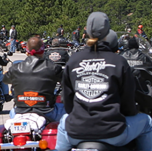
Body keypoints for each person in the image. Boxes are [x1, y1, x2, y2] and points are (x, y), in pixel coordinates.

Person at [56, 12, 152, 151]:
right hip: (112, 131)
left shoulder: (74, 60)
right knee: (147, 122)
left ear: (87, 31)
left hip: (77, 131)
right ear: (108, 31)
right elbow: (128, 103)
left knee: (64, 121)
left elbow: (68, 102)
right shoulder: (119, 62)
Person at [4, 36, 64, 121]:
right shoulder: (53, 68)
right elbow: (67, 82)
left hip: (20, 111)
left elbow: (5, 80)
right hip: (47, 111)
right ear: (43, 49)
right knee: (66, 113)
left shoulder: (15, 68)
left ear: (26, 50)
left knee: (12, 111)